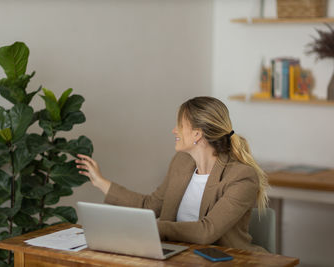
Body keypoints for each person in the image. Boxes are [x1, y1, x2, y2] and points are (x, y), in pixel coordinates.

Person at [75, 96, 269, 252]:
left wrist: (151, 229)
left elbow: (206, 231)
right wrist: (100, 182)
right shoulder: (181, 163)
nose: (174, 130)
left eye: (180, 126)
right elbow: (151, 205)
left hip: (225, 260)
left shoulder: (241, 177)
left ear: (197, 134)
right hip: (178, 255)